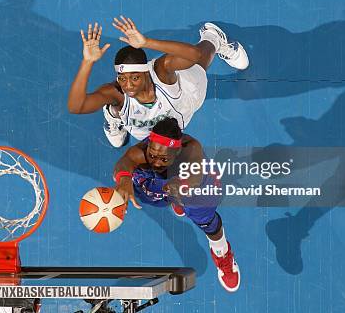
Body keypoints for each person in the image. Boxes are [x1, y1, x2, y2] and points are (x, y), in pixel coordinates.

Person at [67, 16, 249, 147]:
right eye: (122, 78)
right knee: (113, 102)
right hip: (149, 129)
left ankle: (213, 37)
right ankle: (113, 115)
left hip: (186, 99)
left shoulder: (160, 70)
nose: (127, 85)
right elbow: (76, 107)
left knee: (201, 60)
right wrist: (87, 62)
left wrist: (146, 42)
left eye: (134, 78)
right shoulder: (116, 92)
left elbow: (194, 55)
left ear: (146, 72)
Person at [113, 117, 240, 292]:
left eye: (163, 159)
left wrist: (181, 184)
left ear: (177, 151)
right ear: (148, 145)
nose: (156, 162)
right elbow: (124, 162)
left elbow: (195, 178)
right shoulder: (143, 154)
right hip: (164, 184)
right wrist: (123, 179)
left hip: (191, 184)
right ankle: (173, 199)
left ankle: (222, 251)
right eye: (152, 155)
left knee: (204, 215)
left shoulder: (191, 150)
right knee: (140, 186)